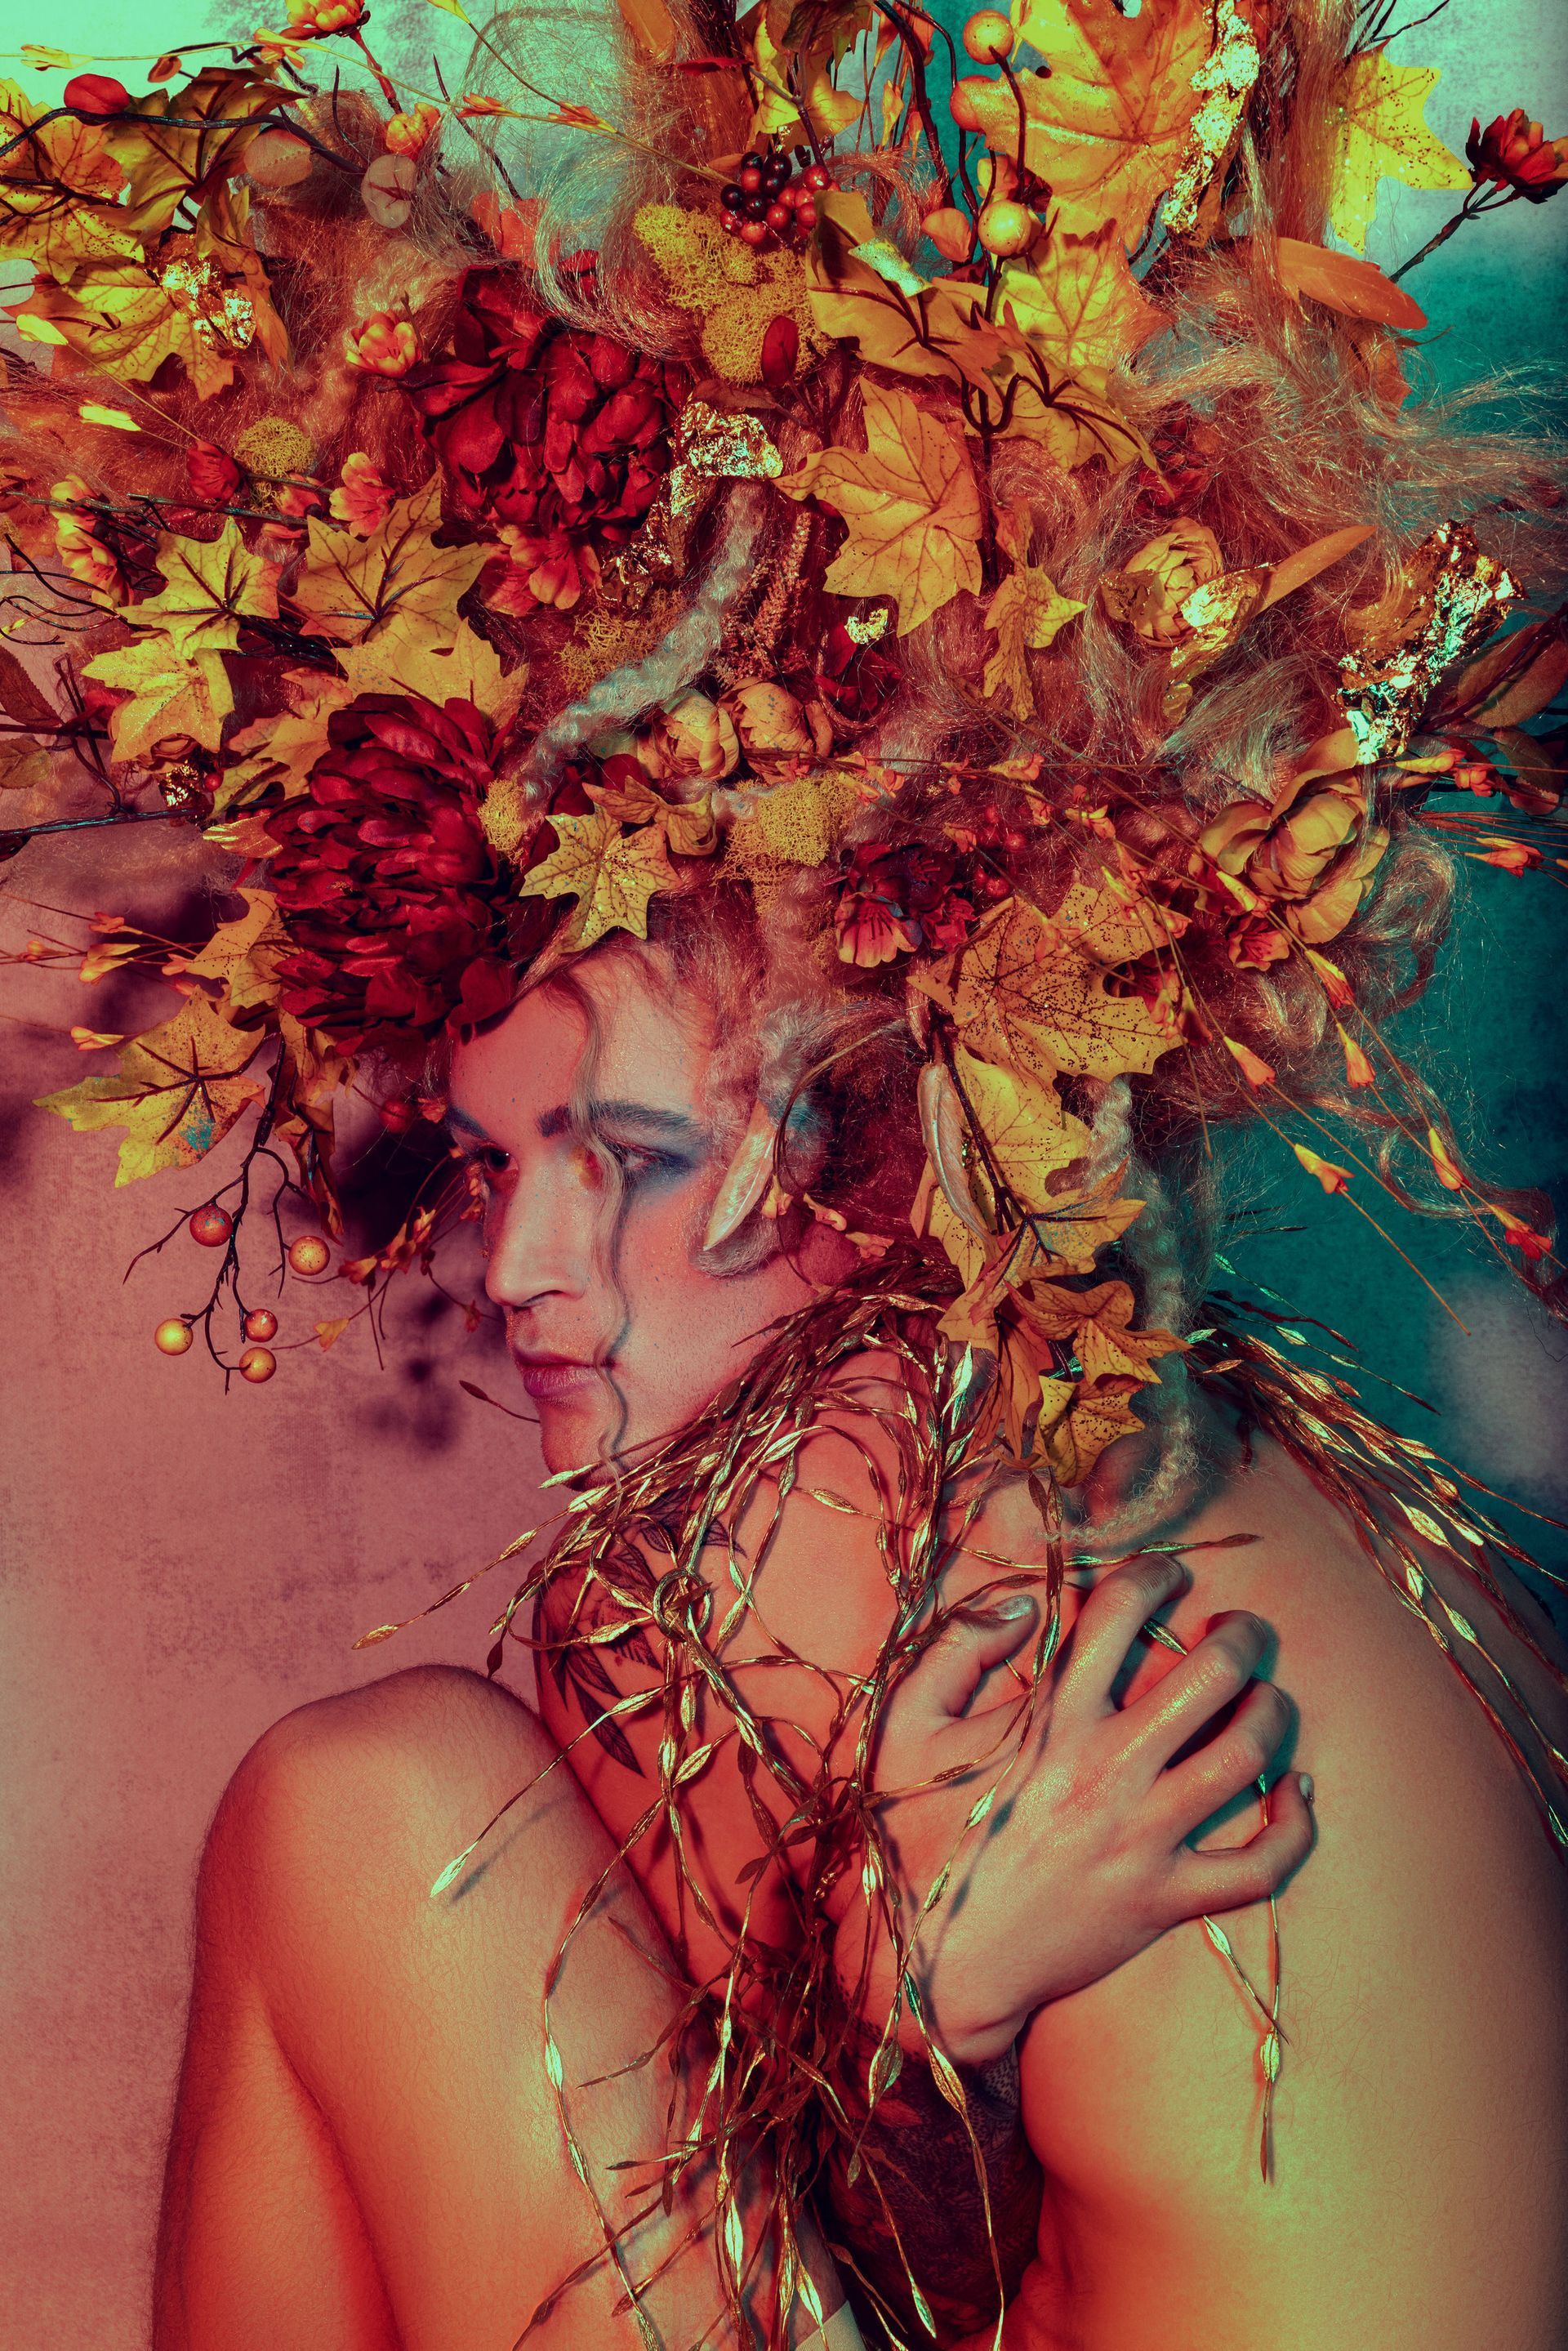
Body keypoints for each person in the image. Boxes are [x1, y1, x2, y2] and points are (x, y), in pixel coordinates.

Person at [7, 0, 1566, 2342]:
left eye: (622, 1163)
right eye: (485, 1154)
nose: (521, 1264)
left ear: (876, 1149)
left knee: (381, 1816)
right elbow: (874, 2240)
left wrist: (915, 2016)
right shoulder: (1015, 1440)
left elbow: (821, 2251)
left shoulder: (828, 1524)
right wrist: (923, 2016)